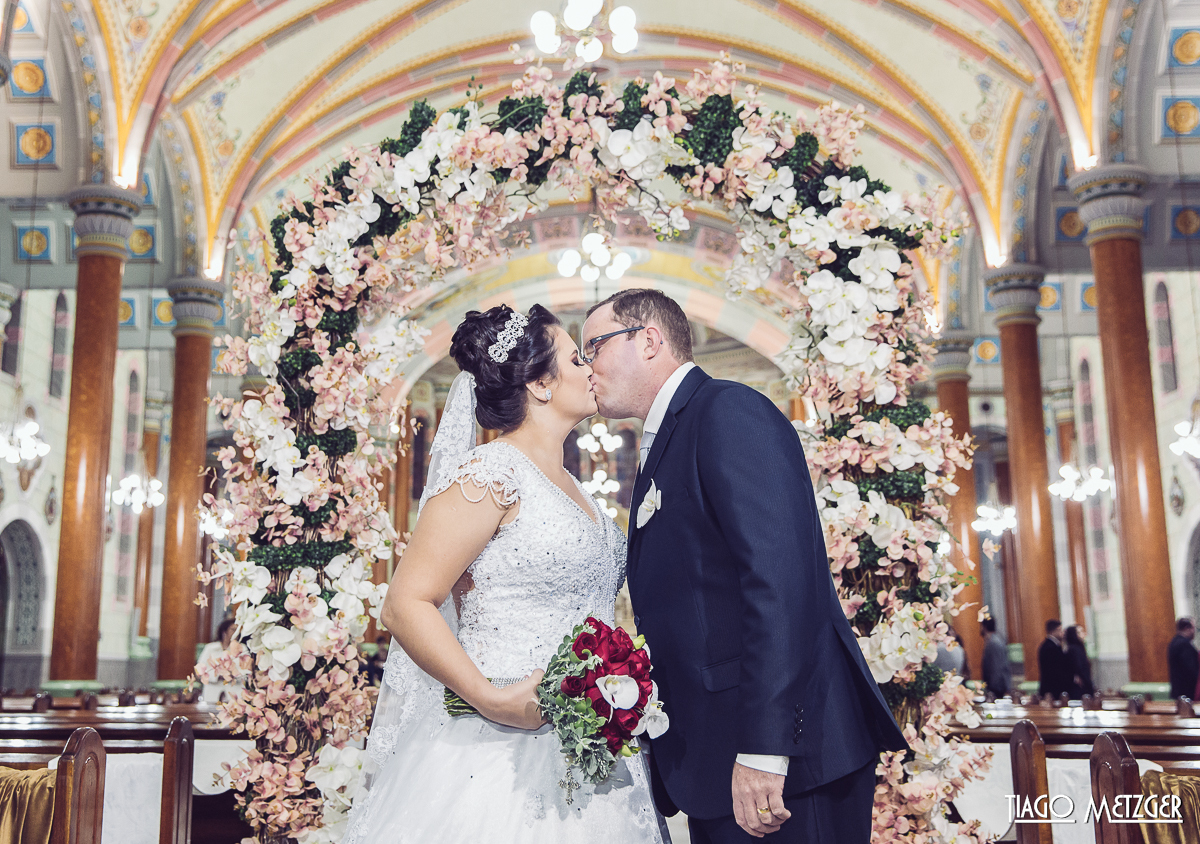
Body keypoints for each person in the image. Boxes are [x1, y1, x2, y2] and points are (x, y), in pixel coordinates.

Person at [582, 289, 906, 843]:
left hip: (782, 761)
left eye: (595, 346)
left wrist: (764, 748)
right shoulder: (668, 437)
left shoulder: (727, 411)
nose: (587, 366)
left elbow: (779, 584)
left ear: (650, 341)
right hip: (718, 757)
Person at [344, 305, 665, 842]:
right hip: (496, 746)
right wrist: (491, 699)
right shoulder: (490, 473)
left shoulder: (574, 487)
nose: (591, 369)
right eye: (575, 358)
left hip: (590, 742)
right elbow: (405, 604)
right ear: (541, 383)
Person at [197, 618, 238, 703]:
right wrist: (217, 675)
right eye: (233, 630)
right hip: (213, 691)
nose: (236, 633)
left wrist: (233, 674)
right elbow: (200, 669)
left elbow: (247, 671)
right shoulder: (210, 648)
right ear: (224, 632)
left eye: (238, 630)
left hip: (234, 691)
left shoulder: (241, 649)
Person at [1037, 619, 1072, 698]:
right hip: (1052, 688)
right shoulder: (1049, 647)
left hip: (1055, 686)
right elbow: (1054, 670)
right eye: (1060, 630)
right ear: (1054, 631)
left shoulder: (1055, 645)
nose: (1062, 633)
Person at [980, 618, 1012, 698]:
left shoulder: (993, 643)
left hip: (997, 686)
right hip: (998, 685)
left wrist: (992, 688)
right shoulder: (996, 640)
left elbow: (996, 666)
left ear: (984, 627)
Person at [1168, 617, 1198, 700]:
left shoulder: (1174, 641)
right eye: (1193, 628)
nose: (1194, 631)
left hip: (1179, 690)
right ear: (1186, 628)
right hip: (1187, 691)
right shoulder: (1184, 644)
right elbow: (1191, 669)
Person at [1064, 625, 1094, 698]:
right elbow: (1079, 667)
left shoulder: (1079, 648)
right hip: (1079, 686)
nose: (1084, 634)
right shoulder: (1074, 649)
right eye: (1080, 632)